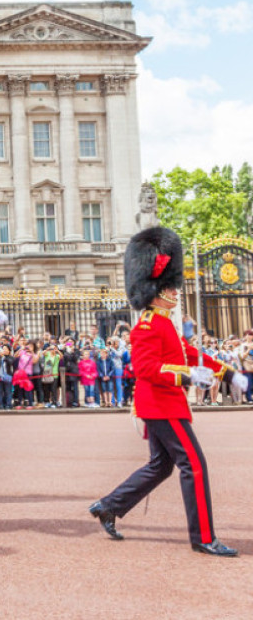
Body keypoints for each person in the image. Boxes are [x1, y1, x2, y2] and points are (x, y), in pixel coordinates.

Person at [90, 227, 245, 557]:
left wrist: (230, 373)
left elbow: (189, 353)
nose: (175, 292)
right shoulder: (146, 324)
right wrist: (189, 377)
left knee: (161, 466)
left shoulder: (163, 322)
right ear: (155, 291)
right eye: (169, 288)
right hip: (160, 405)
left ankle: (108, 506)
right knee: (194, 464)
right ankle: (203, 537)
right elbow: (146, 369)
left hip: (164, 404)